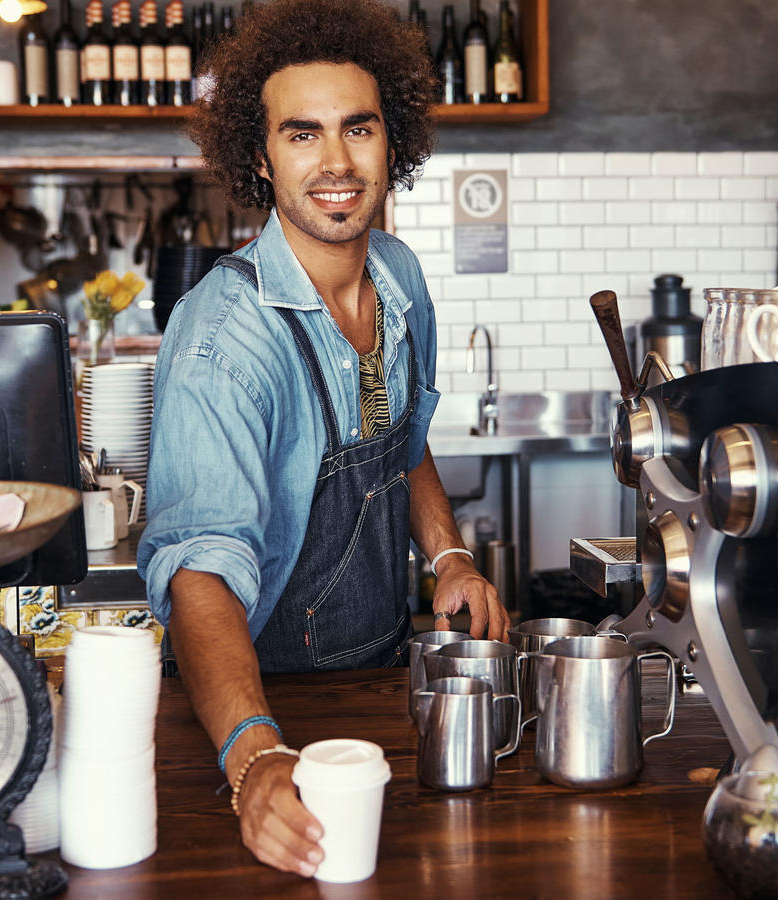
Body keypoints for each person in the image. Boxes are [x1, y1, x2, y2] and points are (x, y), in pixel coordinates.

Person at [137, 0, 511, 877]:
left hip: (377, 683)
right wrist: (256, 758)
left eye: (359, 129)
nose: (336, 162)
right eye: (302, 134)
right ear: (260, 158)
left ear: (394, 143)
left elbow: (399, 432)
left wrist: (447, 556)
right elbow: (198, 569)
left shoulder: (399, 276)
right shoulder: (223, 339)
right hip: (258, 709)